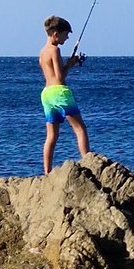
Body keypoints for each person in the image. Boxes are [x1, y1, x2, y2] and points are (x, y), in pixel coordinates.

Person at [39, 15, 90, 174]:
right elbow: (60, 77)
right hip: (59, 92)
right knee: (80, 129)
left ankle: (47, 172)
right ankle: (88, 162)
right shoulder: (55, 50)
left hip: (46, 94)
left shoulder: (42, 52)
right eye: (65, 34)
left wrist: (69, 63)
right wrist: (70, 64)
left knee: (51, 136)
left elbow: (51, 76)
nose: (67, 38)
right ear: (55, 34)